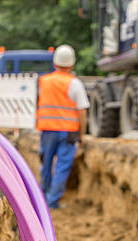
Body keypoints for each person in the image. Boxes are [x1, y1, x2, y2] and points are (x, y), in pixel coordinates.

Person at [36, 44, 90, 209]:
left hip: (47, 130)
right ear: (72, 65)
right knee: (62, 166)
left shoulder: (44, 81)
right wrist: (82, 135)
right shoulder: (75, 84)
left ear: (55, 63)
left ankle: (43, 198)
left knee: (46, 163)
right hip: (68, 132)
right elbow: (82, 111)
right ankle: (52, 201)